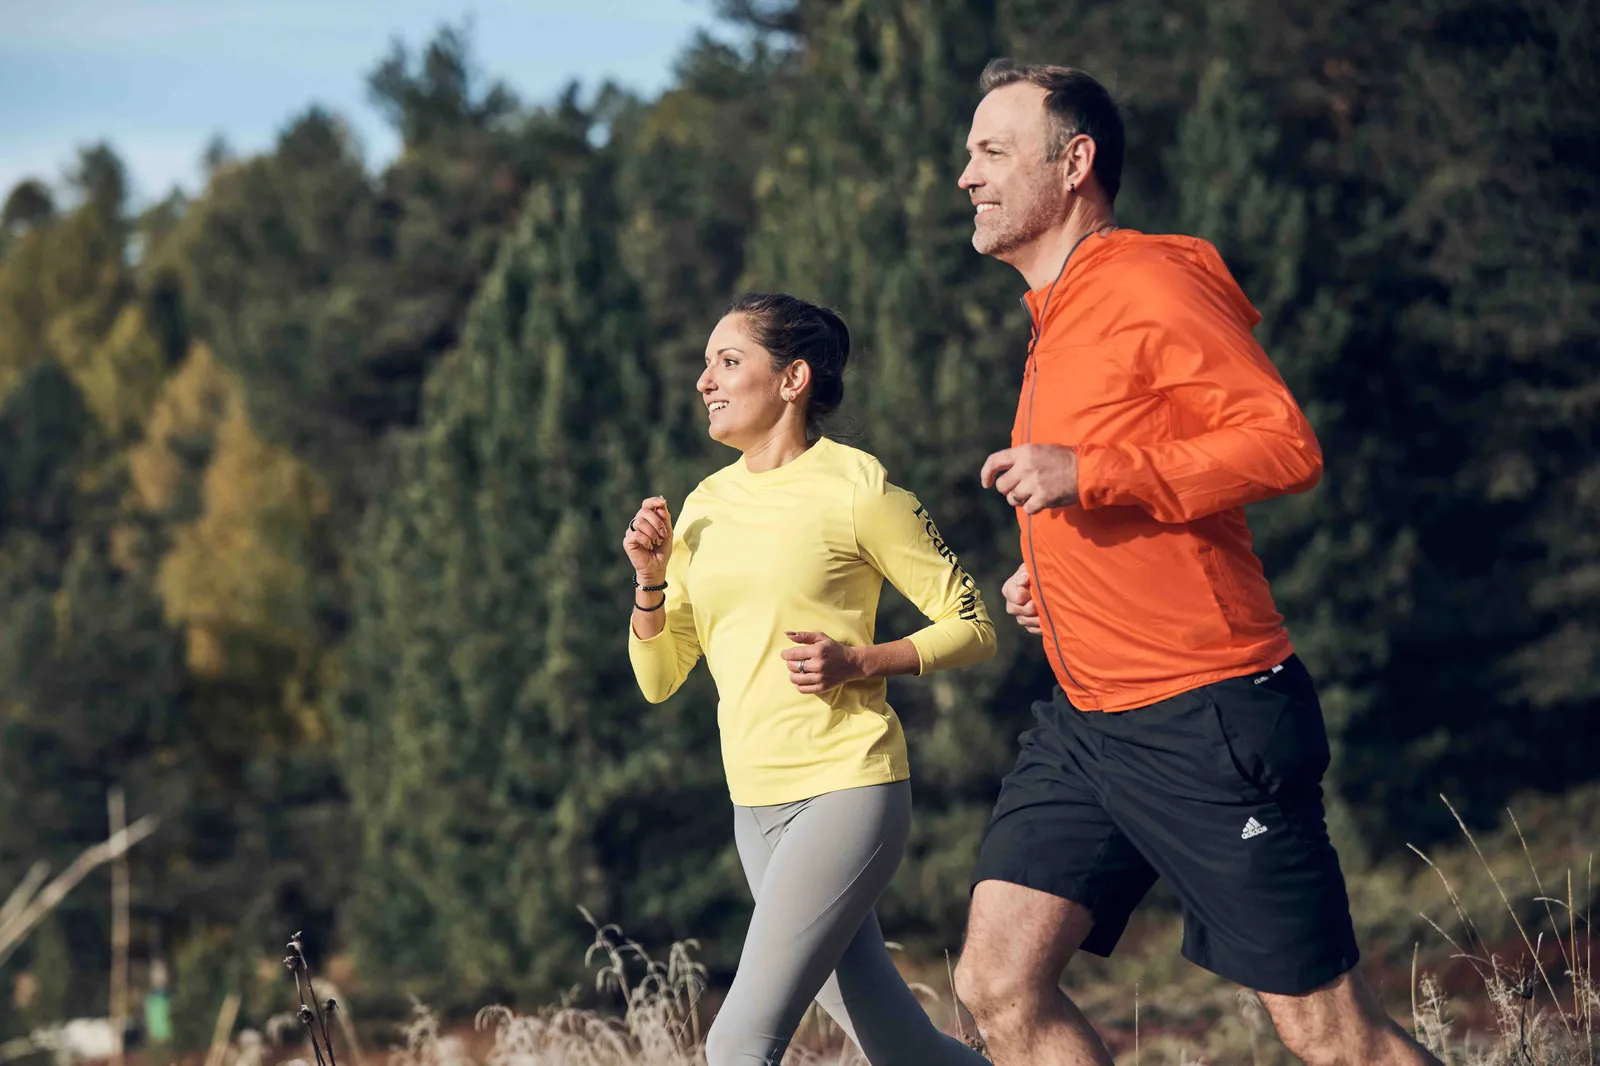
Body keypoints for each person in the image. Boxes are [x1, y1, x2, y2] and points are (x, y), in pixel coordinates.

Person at [949, 59, 1444, 1066]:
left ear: (1074, 164)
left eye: (993, 152)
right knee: (996, 983)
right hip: (1087, 721)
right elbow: (1121, 487)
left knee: (1329, 1033)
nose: (967, 175)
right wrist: (1058, 579)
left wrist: (1087, 472)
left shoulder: (1145, 281)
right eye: (969, 154)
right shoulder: (1055, 315)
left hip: (1205, 711)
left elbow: (1281, 445)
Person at [623, 292, 995, 1066]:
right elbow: (660, 677)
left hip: (846, 789)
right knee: (902, 1048)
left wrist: (863, 660)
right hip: (753, 807)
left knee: (737, 1045)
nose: (705, 380)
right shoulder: (704, 505)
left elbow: (973, 624)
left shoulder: (859, 488)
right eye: (705, 363)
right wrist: (650, 581)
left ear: (793, 379)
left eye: (729, 361)